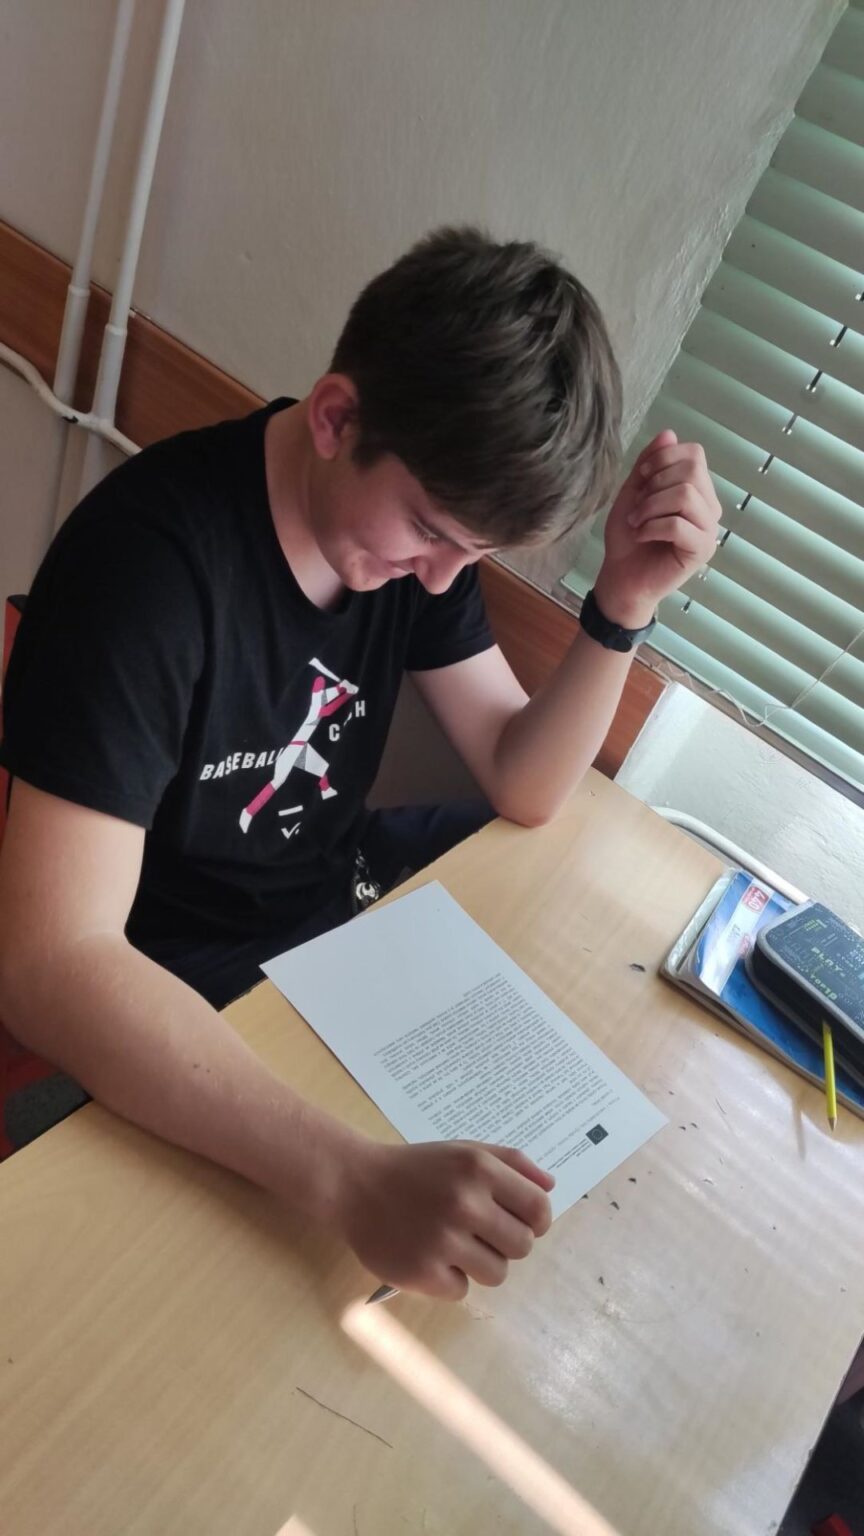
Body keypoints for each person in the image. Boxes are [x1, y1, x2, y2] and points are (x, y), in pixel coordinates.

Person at [0, 226, 720, 1298]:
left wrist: (622, 606)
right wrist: (350, 1180)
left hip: (322, 925)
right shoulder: (147, 570)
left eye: (473, 555)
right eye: (431, 534)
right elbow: (50, 964)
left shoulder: (405, 549)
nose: (440, 581)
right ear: (336, 418)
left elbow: (522, 779)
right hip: (166, 978)